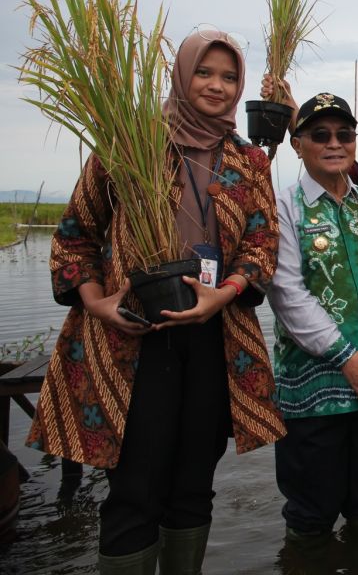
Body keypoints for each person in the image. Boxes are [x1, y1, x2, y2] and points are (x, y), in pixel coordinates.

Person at [30, 30, 284, 573]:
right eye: (205, 73)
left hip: (214, 337)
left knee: (194, 482)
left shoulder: (248, 161)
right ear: (181, 75)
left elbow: (262, 245)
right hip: (134, 338)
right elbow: (75, 235)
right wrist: (97, 302)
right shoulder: (129, 146)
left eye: (229, 77)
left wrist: (226, 293)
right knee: (134, 487)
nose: (217, 86)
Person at [268, 93, 358, 540]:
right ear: (298, 143)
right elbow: (286, 292)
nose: (334, 143)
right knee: (310, 514)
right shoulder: (284, 208)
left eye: (344, 134)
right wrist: (346, 356)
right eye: (320, 134)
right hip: (316, 393)